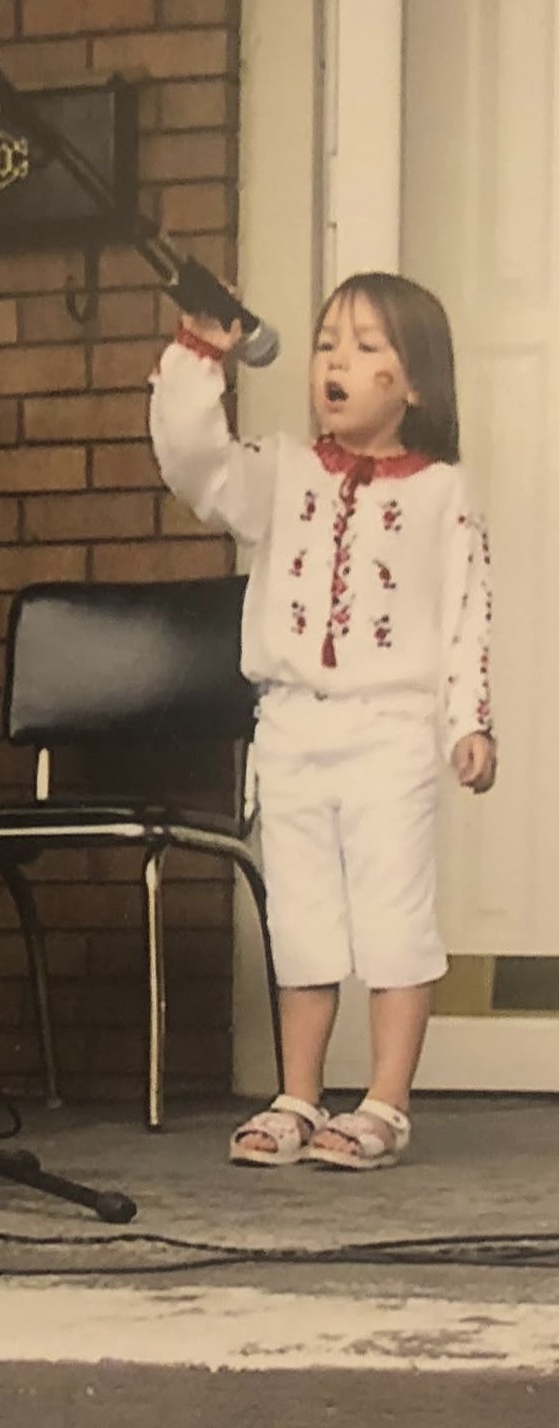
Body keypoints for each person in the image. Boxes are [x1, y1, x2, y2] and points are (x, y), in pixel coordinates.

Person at [148, 271, 496, 1170]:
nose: (337, 361)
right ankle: (298, 1093)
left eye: (367, 347)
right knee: (300, 914)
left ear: (415, 383)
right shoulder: (280, 472)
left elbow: (467, 612)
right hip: (291, 727)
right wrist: (198, 358)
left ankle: (385, 1100)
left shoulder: (441, 493)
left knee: (392, 913)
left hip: (388, 729)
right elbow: (194, 465)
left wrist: (470, 720)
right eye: (327, 344)